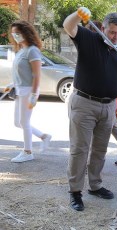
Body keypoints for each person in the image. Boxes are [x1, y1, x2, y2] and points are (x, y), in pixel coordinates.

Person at [63, 7, 117, 211]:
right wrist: (77, 14)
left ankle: (95, 185)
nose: (116, 37)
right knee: (79, 150)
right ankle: (75, 191)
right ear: (103, 28)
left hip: (108, 106)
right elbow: (68, 26)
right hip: (84, 104)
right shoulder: (88, 38)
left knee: (100, 150)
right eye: (112, 32)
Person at [85, 20, 117, 166]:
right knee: (113, 126)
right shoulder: (90, 49)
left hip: (107, 102)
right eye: (113, 33)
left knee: (107, 129)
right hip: (91, 101)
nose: (116, 37)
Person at [6, 20, 52, 163]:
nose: (15, 36)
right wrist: (12, 84)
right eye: (13, 34)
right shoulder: (21, 50)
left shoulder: (33, 50)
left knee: (24, 121)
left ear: (26, 33)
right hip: (20, 89)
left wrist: (34, 94)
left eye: (18, 33)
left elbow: (36, 74)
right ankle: (44, 136)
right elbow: (21, 72)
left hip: (28, 90)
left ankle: (28, 151)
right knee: (17, 122)